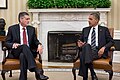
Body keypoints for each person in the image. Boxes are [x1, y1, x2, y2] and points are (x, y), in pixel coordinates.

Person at [4, 12, 49, 80]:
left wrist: (39, 45)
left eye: (29, 19)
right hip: (16, 51)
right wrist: (13, 44)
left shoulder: (31, 29)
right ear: (21, 19)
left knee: (23, 55)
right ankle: (36, 71)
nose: (29, 21)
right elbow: (6, 43)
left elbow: (35, 41)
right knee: (24, 46)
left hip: (29, 52)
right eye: (27, 19)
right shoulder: (12, 29)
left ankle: (23, 78)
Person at [77, 12, 114, 80]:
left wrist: (103, 48)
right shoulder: (85, 29)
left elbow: (111, 41)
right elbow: (80, 40)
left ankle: (85, 77)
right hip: (87, 50)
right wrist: (79, 43)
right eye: (88, 19)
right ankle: (92, 73)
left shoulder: (104, 30)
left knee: (83, 54)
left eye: (90, 19)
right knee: (87, 46)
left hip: (98, 51)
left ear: (96, 20)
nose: (88, 21)